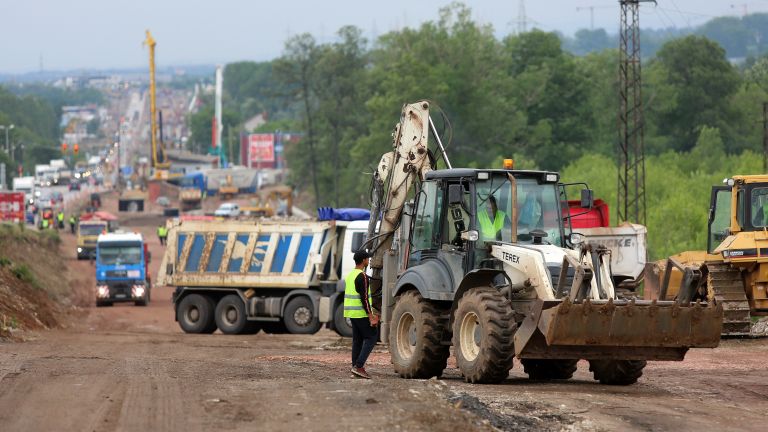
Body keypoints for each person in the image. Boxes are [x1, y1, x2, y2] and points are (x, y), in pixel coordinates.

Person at [344, 250, 378, 379]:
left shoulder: (350, 275)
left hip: (351, 312)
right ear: (363, 260)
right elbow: (364, 298)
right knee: (372, 337)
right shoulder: (362, 276)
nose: (368, 260)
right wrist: (371, 316)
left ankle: (355, 366)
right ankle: (359, 366)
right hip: (360, 313)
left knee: (357, 340)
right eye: (367, 259)